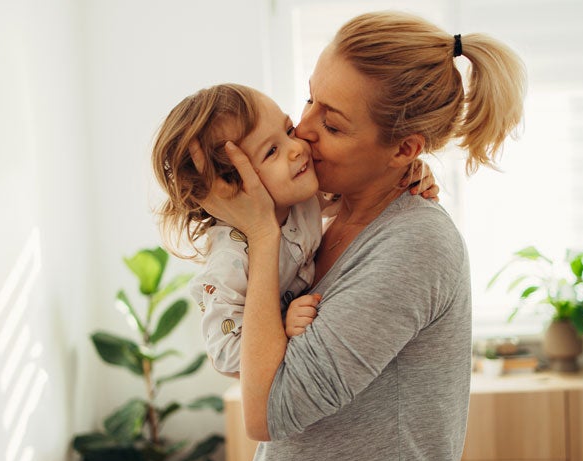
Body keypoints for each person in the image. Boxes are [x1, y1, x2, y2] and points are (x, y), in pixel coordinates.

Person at [196, 10, 526, 461]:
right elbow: (256, 356)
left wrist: (260, 233)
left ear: (405, 149)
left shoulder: (414, 244)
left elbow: (267, 412)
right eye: (309, 99)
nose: (302, 132)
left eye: (331, 123)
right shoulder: (317, 219)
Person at [152, 83, 442, 376]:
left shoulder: (301, 200)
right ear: (228, 186)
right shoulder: (230, 260)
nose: (297, 148)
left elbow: (358, 188)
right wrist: (281, 327)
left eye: (288, 130)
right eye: (272, 151)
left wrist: (405, 171)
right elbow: (225, 355)